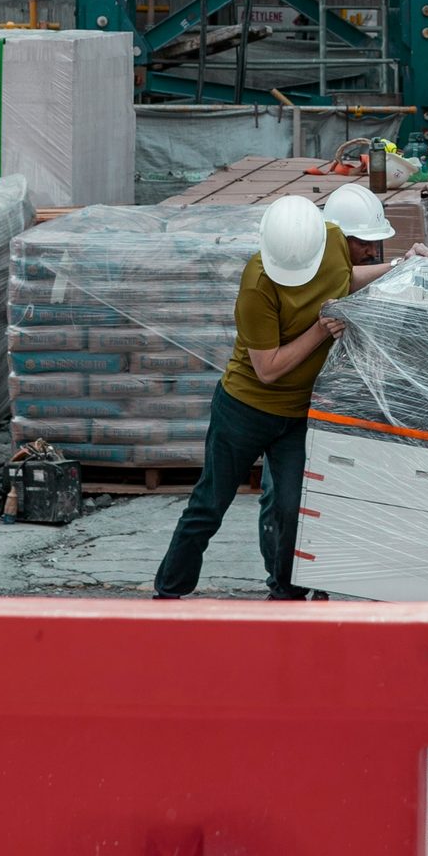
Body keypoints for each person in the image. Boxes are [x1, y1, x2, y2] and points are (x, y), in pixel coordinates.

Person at [154, 193, 350, 601]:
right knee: (210, 504)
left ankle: (287, 596)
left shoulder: (331, 240)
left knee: (294, 509)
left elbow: (346, 279)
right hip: (244, 410)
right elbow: (268, 368)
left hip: (297, 414)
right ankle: (168, 593)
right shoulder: (257, 283)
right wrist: (320, 330)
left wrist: (402, 267)